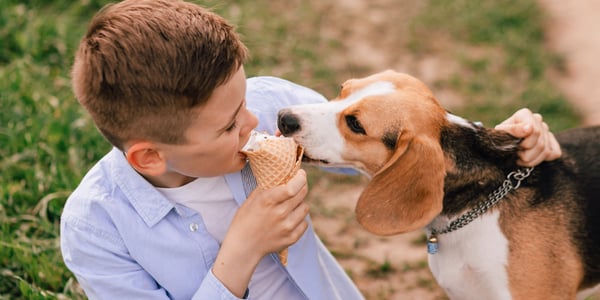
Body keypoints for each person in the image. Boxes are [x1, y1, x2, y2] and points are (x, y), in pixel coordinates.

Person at [59, 0, 562, 299]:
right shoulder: (95, 230)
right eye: (231, 124)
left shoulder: (264, 101)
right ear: (149, 157)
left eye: (246, 99)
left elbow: (376, 145)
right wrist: (241, 252)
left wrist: (494, 143)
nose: (257, 121)